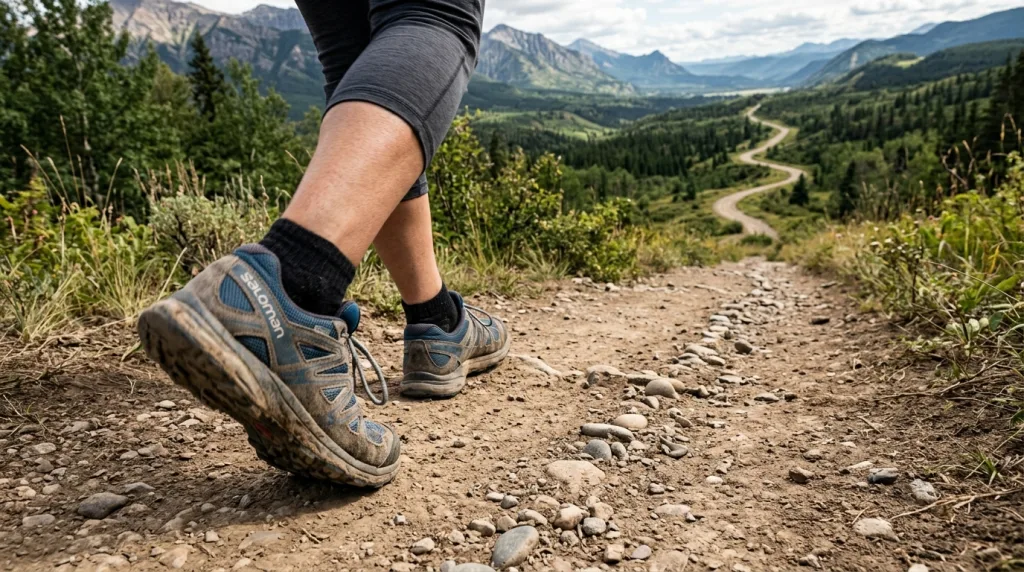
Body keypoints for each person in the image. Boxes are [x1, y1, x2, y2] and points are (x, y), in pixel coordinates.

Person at [137, 0, 508, 488]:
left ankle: (435, 324)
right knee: (433, 14)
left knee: (354, 56)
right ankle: (292, 289)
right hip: (285, 286)